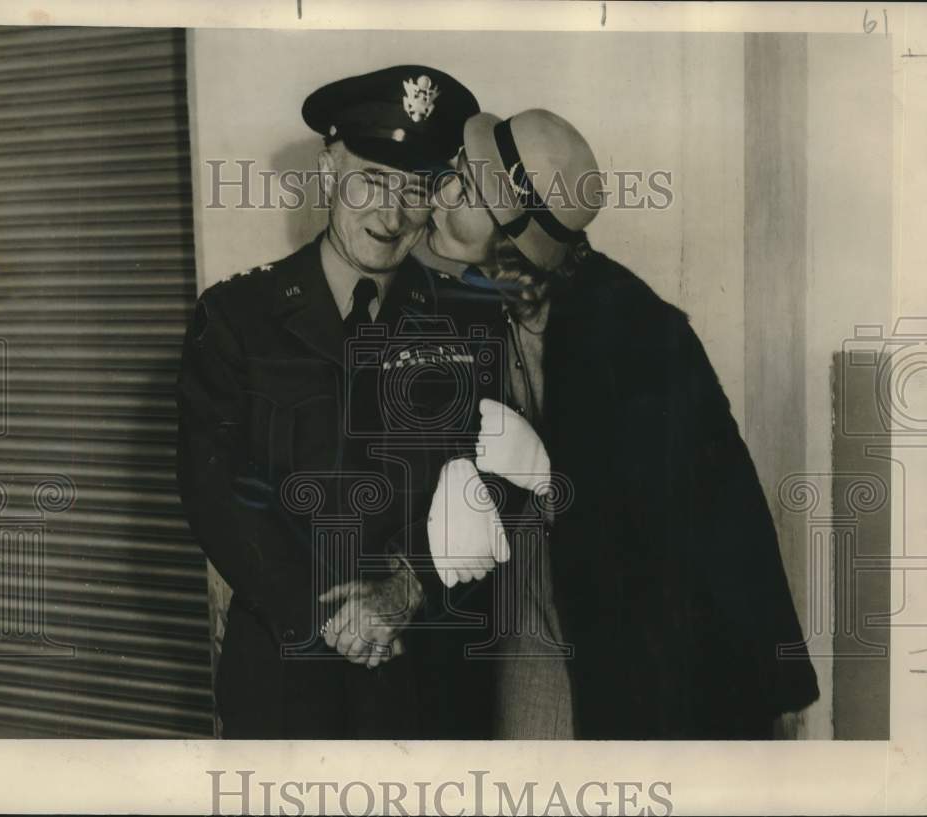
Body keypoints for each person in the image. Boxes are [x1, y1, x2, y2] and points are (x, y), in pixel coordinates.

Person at [425, 108, 821, 738]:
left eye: (463, 189)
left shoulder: (635, 333)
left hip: (628, 644)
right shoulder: (464, 304)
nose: (437, 197)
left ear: (510, 236)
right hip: (523, 624)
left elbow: (724, 510)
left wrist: (782, 685)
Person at [175, 65, 500, 739]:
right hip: (287, 672)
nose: (391, 214)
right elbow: (212, 489)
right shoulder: (236, 316)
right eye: (371, 179)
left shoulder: (470, 318)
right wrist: (330, 617)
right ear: (329, 171)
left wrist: (408, 586)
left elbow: (494, 478)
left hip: (429, 676)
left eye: (416, 188)